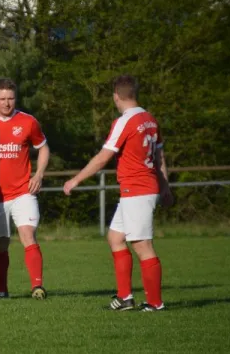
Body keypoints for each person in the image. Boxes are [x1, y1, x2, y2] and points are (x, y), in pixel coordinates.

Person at [63, 75, 173, 312]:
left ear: (116, 96)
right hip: (139, 189)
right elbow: (159, 157)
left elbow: (104, 157)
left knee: (142, 245)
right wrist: (165, 187)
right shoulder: (149, 119)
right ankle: (125, 298)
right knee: (115, 238)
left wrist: (76, 179)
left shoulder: (125, 122)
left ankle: (155, 303)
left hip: (138, 190)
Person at [0, 78, 50, 299]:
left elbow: (44, 148)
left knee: (28, 234)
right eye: (2, 99)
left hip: (23, 192)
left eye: (10, 99)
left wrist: (38, 174)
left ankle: (37, 287)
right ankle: (2, 289)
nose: (7, 103)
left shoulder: (28, 122)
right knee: (1, 243)